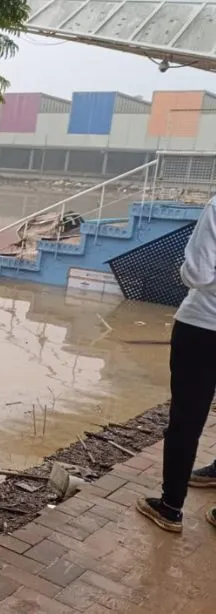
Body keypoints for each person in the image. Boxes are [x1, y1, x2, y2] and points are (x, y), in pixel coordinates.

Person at [138, 196, 216, 532]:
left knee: (187, 418)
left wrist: (184, 271)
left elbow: (197, 273)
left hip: (203, 327)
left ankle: (170, 507)